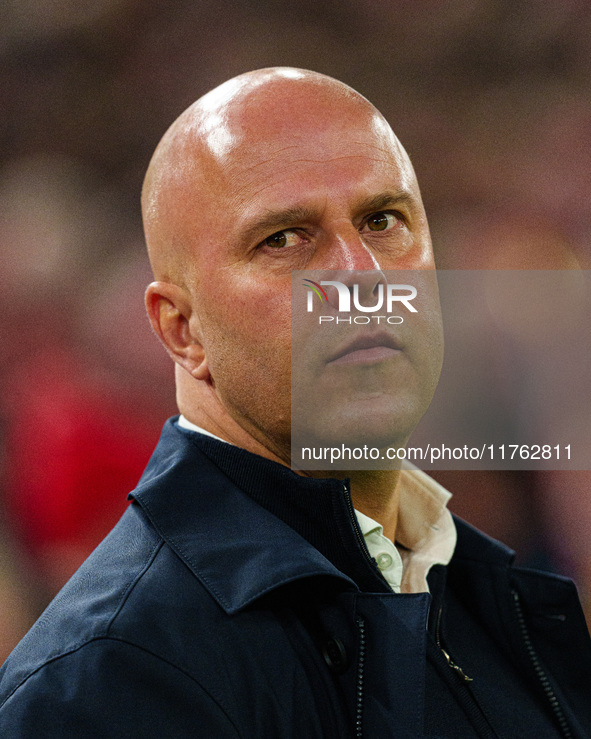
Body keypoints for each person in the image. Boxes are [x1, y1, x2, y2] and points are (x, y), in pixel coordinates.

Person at [0, 67, 590, 738]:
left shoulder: (494, 601)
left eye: (382, 220)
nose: (361, 277)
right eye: (282, 238)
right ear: (180, 329)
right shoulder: (107, 681)